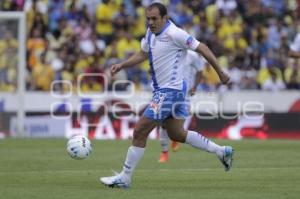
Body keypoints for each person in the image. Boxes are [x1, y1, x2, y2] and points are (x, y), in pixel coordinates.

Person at [100, 2, 233, 188]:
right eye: (148, 19)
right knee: (177, 134)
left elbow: (201, 47)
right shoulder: (149, 34)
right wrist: (122, 65)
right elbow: (141, 54)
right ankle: (221, 151)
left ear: (165, 18)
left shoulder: (175, 33)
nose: (151, 22)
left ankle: (125, 177)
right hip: (174, 92)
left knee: (139, 131)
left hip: (170, 91)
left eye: (155, 19)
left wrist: (220, 72)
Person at [158, 50, 205, 163]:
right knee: (163, 123)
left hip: (185, 93)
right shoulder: (169, 52)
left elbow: (200, 71)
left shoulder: (192, 56)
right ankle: (164, 152)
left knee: (181, 119)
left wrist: (195, 87)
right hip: (167, 91)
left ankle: (176, 137)